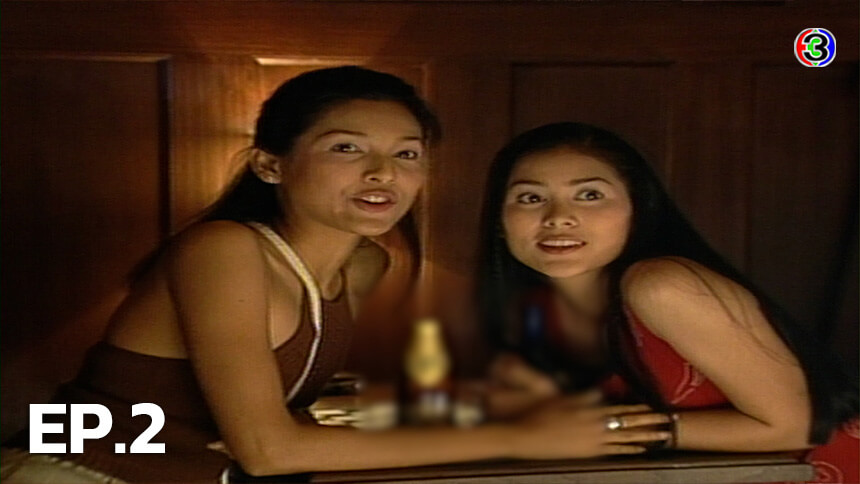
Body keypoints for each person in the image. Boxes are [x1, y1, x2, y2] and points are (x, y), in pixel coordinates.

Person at [1, 69, 671, 484]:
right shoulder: (223, 249)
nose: (383, 173)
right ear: (270, 165)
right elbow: (267, 449)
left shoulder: (366, 262)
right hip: (77, 471)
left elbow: (285, 418)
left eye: (406, 154)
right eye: (347, 148)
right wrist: (524, 436)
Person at [477, 121, 859, 483]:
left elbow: (799, 427)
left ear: (637, 207)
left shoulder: (660, 286)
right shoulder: (531, 317)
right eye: (531, 198)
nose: (558, 218)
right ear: (500, 220)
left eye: (590, 195)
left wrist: (609, 430)